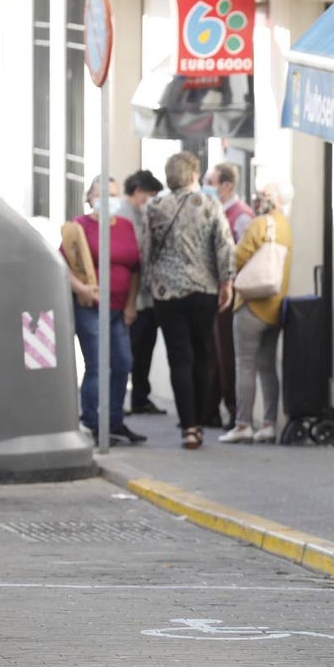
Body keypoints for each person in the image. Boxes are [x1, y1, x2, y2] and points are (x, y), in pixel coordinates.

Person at [142, 152, 235, 449]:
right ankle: (201, 418)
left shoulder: (155, 206)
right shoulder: (209, 204)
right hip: (203, 289)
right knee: (202, 354)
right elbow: (223, 245)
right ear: (194, 174)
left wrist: (149, 283)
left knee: (179, 357)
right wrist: (226, 282)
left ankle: (189, 426)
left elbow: (146, 249)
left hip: (166, 293)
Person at [66, 179, 146, 445]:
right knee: (97, 366)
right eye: (102, 195)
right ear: (90, 197)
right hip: (90, 308)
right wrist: (82, 290)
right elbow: (63, 265)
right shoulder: (79, 227)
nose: (108, 200)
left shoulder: (124, 226)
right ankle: (91, 422)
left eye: (113, 195)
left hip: (118, 308)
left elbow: (135, 268)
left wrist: (132, 304)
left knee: (123, 363)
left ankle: (113, 421)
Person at [220, 183, 294, 444]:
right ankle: (269, 423)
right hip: (275, 305)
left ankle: (243, 424)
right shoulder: (284, 225)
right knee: (267, 366)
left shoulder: (260, 224)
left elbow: (236, 258)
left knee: (245, 364)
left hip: (251, 304)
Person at [201, 162, 253, 429]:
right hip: (213, 291)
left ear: (227, 185)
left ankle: (233, 411)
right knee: (212, 353)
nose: (206, 187)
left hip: (230, 295)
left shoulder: (241, 216)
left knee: (227, 355)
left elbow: (242, 257)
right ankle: (209, 410)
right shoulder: (214, 212)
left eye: (211, 182)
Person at [119, 169, 167, 417]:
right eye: (149, 196)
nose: (151, 202)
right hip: (130, 297)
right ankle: (120, 398)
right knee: (129, 349)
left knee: (145, 347)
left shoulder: (144, 214)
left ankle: (141, 397)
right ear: (137, 191)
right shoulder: (120, 215)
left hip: (149, 295)